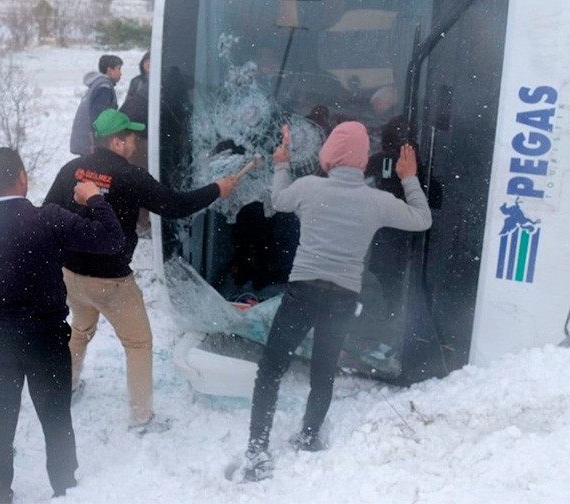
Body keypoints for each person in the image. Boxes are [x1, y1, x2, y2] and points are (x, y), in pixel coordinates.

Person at [240, 121, 432, 481]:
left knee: (271, 368)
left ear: (329, 153)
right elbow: (422, 219)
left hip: (302, 292)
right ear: (362, 160)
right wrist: (408, 178)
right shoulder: (376, 201)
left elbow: (278, 200)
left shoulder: (308, 188)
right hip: (343, 298)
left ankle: (257, 448)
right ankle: (308, 436)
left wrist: (282, 163)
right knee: (323, 370)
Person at [0, 147, 125, 504]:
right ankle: (66, 489)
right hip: (46, 339)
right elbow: (111, 239)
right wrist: (94, 199)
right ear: (23, 177)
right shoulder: (48, 219)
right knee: (56, 419)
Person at [44, 109, 239, 432]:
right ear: (117, 142)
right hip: (111, 282)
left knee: (79, 330)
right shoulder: (130, 176)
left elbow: (47, 211)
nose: (136, 143)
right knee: (137, 343)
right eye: (132, 137)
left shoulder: (71, 169)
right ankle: (141, 418)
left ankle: (67, 388)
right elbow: (175, 206)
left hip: (72, 276)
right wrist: (217, 189)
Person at [69, 54, 123, 156]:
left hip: (84, 139)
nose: (121, 73)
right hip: (91, 143)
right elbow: (100, 118)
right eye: (118, 69)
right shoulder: (104, 88)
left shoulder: (97, 84)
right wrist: (100, 143)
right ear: (109, 70)